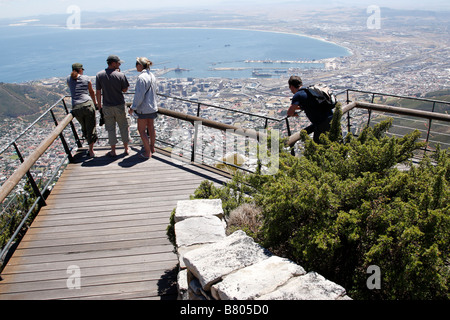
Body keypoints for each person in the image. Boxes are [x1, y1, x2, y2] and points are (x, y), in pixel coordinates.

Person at [96, 55, 130, 157]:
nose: (119, 65)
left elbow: (98, 92)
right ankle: (126, 149)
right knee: (123, 127)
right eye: (118, 63)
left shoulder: (99, 75)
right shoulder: (120, 75)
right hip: (119, 105)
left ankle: (113, 151)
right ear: (113, 63)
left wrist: (99, 106)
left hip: (106, 106)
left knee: (110, 129)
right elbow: (125, 90)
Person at [287, 75, 333, 143]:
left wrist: (294, 113)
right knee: (335, 141)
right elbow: (311, 105)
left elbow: (289, 112)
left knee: (318, 147)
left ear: (291, 86)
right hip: (331, 117)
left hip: (322, 123)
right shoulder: (309, 90)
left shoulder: (298, 95)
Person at [129, 57, 158, 159]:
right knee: (151, 127)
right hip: (153, 106)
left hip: (143, 108)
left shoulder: (141, 78)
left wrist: (133, 107)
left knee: (141, 130)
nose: (135, 66)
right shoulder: (152, 75)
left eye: (136, 64)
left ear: (140, 65)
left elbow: (139, 96)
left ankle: (147, 152)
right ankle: (152, 148)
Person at [67, 63, 98, 158]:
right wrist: (95, 103)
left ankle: (88, 145)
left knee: (84, 127)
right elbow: (91, 91)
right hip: (87, 104)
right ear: (80, 70)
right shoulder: (86, 78)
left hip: (76, 107)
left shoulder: (68, 78)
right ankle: (91, 151)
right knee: (91, 127)